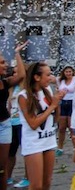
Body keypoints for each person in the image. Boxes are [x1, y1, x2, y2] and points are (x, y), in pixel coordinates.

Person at [18, 62, 66, 190]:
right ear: (37, 77)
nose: (51, 78)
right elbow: (33, 123)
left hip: (48, 140)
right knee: (36, 186)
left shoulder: (47, 91)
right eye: (48, 74)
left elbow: (55, 119)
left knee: (47, 183)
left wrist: (57, 102)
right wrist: (52, 105)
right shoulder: (24, 96)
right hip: (34, 143)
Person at [0, 42, 27, 190]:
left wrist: (17, 53)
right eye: (2, 63)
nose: (5, 66)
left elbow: (22, 75)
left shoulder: (5, 82)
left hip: (5, 125)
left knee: (2, 167)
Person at [7, 74, 29, 188]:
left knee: (26, 151)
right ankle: (8, 177)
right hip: (11, 122)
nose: (15, 75)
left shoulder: (26, 88)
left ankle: (27, 177)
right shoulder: (11, 87)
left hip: (22, 123)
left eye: (18, 72)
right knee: (10, 152)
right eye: (14, 72)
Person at [55, 66, 75, 157]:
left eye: (70, 72)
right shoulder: (60, 80)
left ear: (73, 72)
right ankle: (60, 147)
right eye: (66, 72)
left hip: (72, 103)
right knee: (61, 128)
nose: (68, 73)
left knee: (71, 127)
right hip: (63, 103)